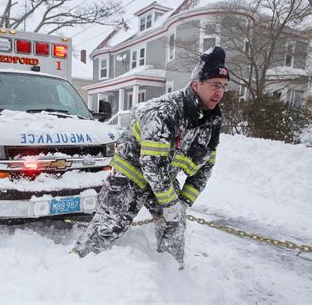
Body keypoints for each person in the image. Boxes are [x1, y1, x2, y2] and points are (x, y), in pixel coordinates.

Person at [71, 46, 229, 269]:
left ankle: (172, 274)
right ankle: (76, 269)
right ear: (197, 84)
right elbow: (152, 165)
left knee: (174, 224)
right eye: (214, 85)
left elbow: (205, 167)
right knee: (110, 226)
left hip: (163, 176)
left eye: (223, 87)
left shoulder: (212, 121)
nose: (219, 92)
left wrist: (182, 203)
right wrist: (170, 203)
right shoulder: (167, 111)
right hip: (130, 173)